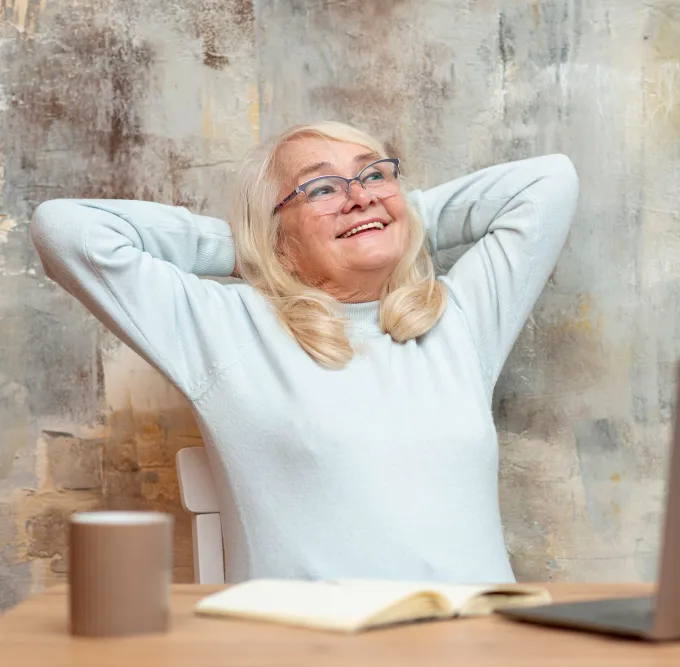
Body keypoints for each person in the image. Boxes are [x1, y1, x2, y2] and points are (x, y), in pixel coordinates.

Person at [30, 121, 579, 583]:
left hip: (481, 647)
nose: (359, 194)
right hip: (312, 651)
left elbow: (549, 181)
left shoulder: (458, 318)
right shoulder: (225, 328)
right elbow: (67, 229)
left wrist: (390, 216)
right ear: (276, 232)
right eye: (321, 189)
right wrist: (250, 247)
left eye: (373, 173)